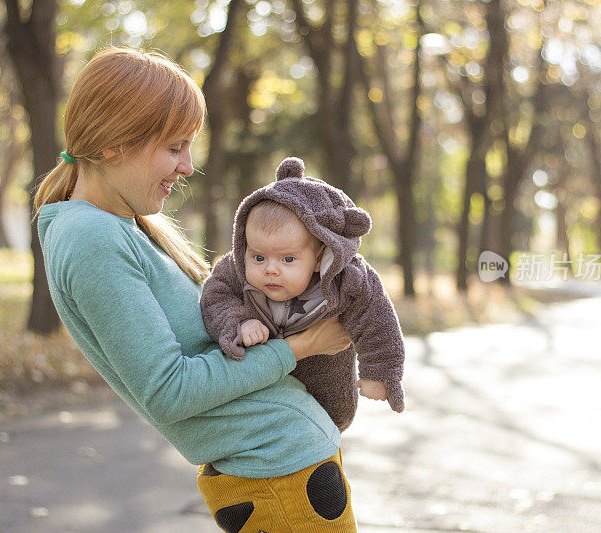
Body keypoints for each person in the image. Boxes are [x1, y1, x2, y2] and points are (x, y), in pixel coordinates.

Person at [34, 47, 358, 531]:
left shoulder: (122, 227)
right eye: (174, 147)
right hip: (277, 474)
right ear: (111, 145)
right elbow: (169, 390)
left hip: (288, 468)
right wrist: (304, 345)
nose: (187, 166)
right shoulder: (91, 237)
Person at [201, 157, 405, 432]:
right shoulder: (235, 270)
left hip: (327, 397)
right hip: (260, 397)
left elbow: (377, 319)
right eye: (259, 257)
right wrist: (239, 323)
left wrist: (379, 371)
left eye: (287, 260)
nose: (270, 270)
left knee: (323, 433)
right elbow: (216, 297)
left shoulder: (348, 280)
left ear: (320, 259)